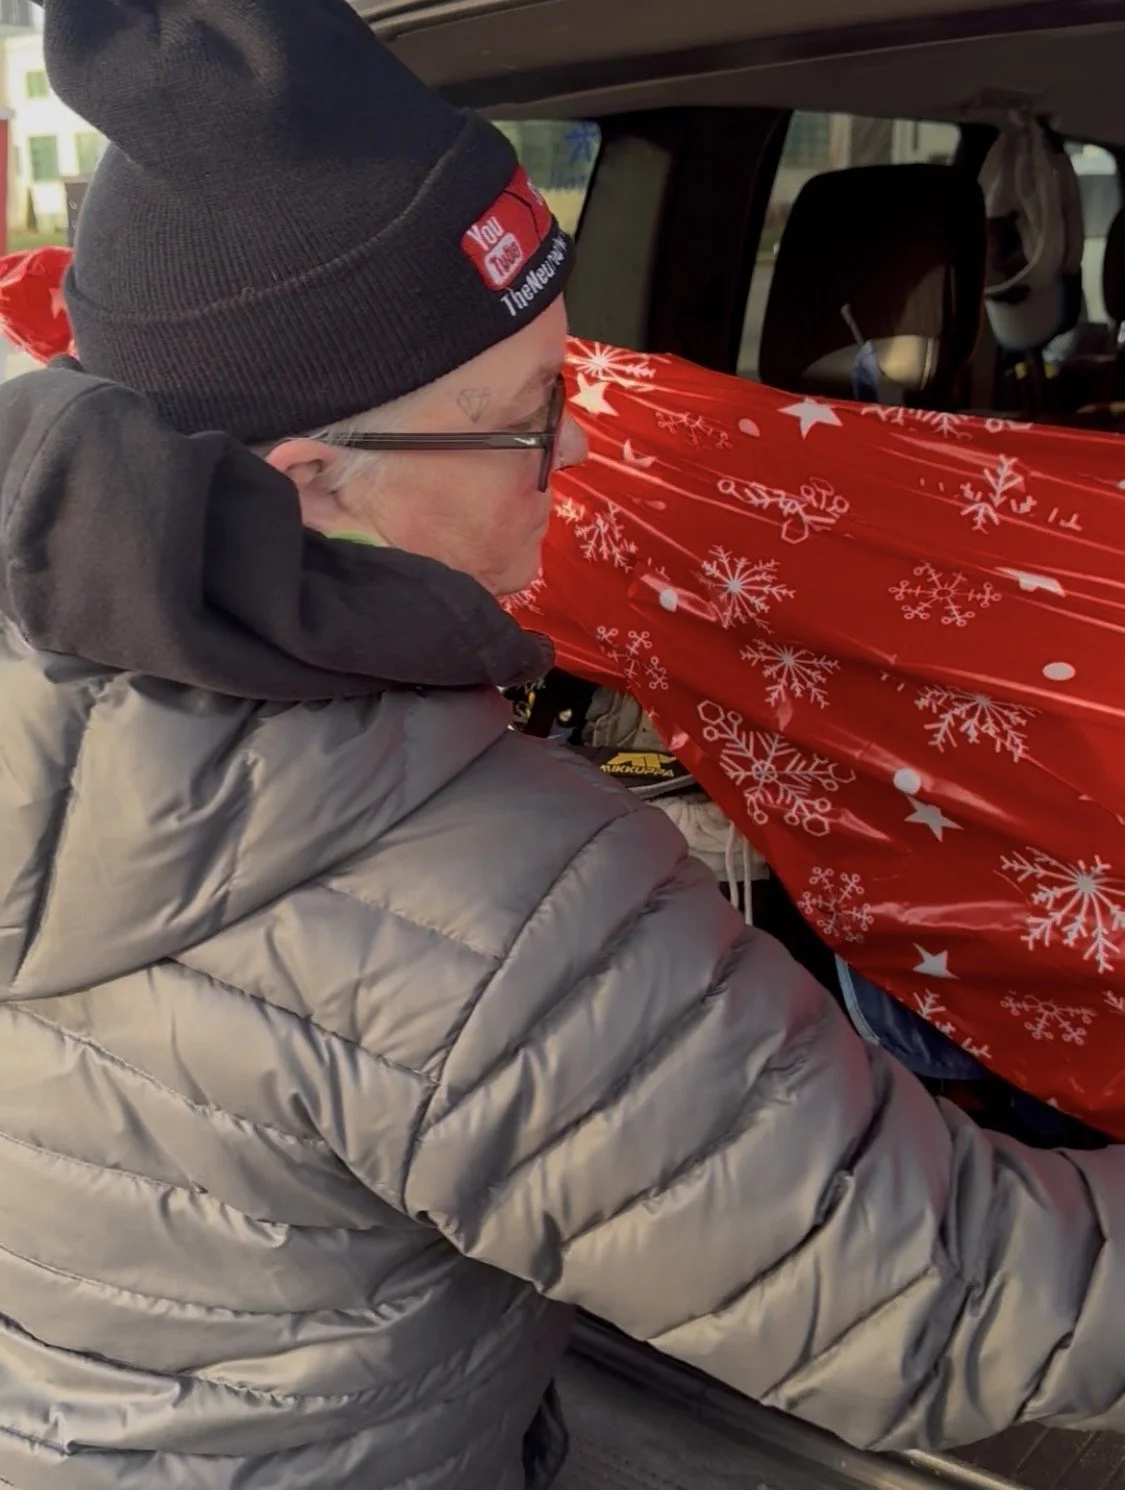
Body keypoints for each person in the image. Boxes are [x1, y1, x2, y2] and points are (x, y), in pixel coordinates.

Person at [0, 1, 1122, 1487]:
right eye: (535, 416)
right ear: (312, 483)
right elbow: (967, 1301)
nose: (585, 449)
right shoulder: (478, 889)